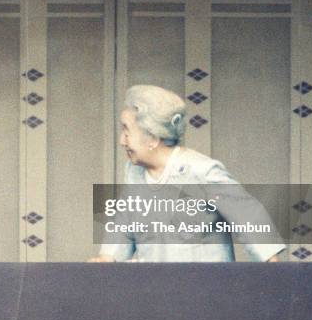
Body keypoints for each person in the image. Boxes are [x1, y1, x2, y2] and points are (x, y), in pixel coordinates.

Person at [90, 85, 285, 262]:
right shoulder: (134, 172)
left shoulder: (201, 171)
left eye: (126, 131)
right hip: (157, 289)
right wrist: (108, 258)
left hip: (206, 290)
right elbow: (124, 223)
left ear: (153, 137)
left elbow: (248, 216)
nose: (122, 141)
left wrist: (271, 264)